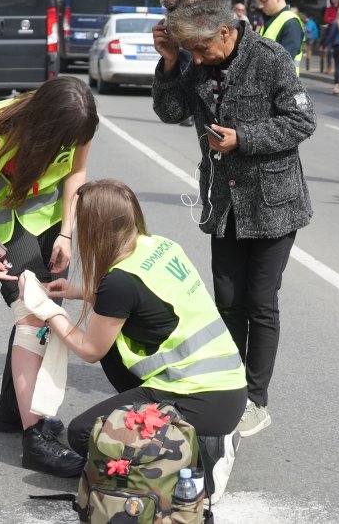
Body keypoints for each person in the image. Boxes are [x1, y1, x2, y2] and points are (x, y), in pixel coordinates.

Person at [18, 179, 248, 500]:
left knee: (85, 435)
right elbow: (146, 298)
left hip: (199, 401)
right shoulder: (160, 245)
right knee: (112, 347)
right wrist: (78, 291)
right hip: (227, 389)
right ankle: (189, 438)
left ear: (94, 230)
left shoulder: (119, 282)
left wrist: (46, 309)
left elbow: (89, 349)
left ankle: (201, 454)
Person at [152, 0, 315, 438]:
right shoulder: (194, 61)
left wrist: (242, 137)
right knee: (226, 301)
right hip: (224, 203)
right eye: (191, 53)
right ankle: (229, 387)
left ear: (225, 32)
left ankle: (255, 399)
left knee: (260, 302)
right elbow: (171, 112)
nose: (198, 60)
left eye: (202, 50)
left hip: (274, 203)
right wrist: (169, 64)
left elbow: (303, 122)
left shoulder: (270, 57)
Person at [0, 76, 98, 477]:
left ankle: (13, 414)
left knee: (48, 310)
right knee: (34, 314)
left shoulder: (77, 121)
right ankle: (35, 439)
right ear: (45, 124)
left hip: (47, 219)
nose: (72, 143)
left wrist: (67, 232)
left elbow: (75, 175)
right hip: (1, 226)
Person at [256, 0, 305, 74]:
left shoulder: (291, 23)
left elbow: (283, 63)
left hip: (281, 85)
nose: (260, 5)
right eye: (259, 1)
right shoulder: (273, 19)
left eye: (264, 1)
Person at [324, 6, 339, 94]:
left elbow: (331, 35)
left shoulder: (335, 23)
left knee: (337, 66)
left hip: (337, 46)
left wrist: (325, 44)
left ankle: (336, 87)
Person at [323, 0, 339, 73]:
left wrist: (332, 19)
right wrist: (335, 20)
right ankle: (329, 66)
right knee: (329, 50)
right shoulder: (329, 9)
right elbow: (326, 19)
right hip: (331, 31)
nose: (333, 0)